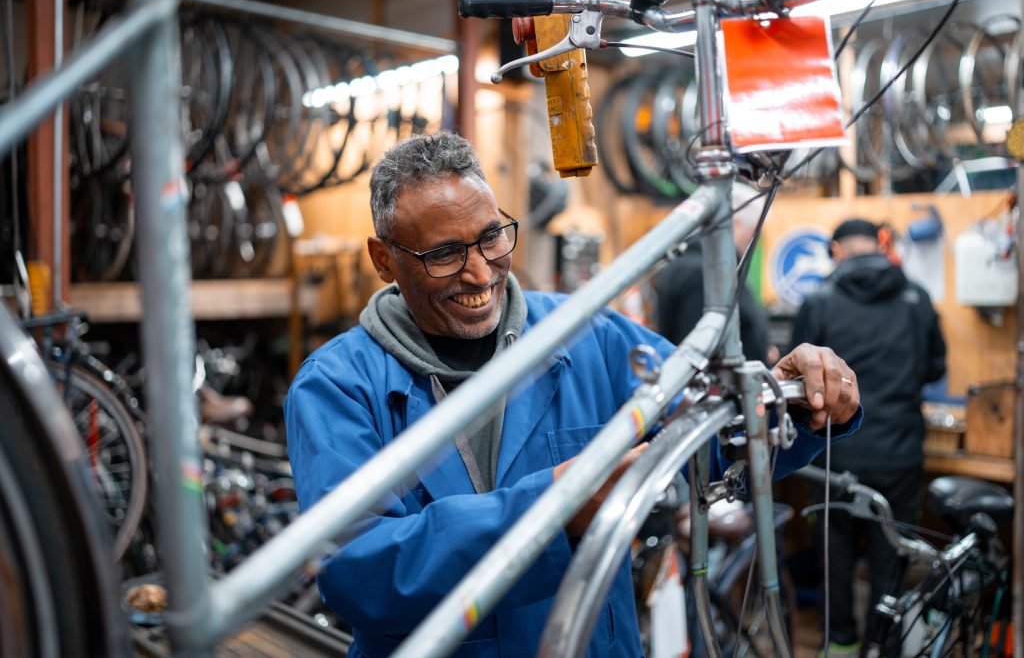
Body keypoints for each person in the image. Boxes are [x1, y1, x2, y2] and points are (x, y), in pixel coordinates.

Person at [286, 133, 862, 658]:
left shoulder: (586, 333)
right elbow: (358, 572)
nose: (480, 273)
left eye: (491, 237)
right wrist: (556, 508)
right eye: (444, 254)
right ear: (383, 259)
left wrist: (793, 402)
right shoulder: (337, 387)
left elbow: (704, 440)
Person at [789, 217, 946, 657]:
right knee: (890, 555)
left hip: (833, 453)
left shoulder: (819, 301)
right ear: (877, 245)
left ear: (836, 249)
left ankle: (839, 642)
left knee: (833, 553)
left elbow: (801, 382)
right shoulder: (917, 298)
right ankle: (884, 646)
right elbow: (935, 368)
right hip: (899, 450)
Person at [653, 181, 771, 363]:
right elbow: (699, 354)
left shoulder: (697, 266)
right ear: (734, 224)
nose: (753, 242)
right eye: (754, 232)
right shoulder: (704, 275)